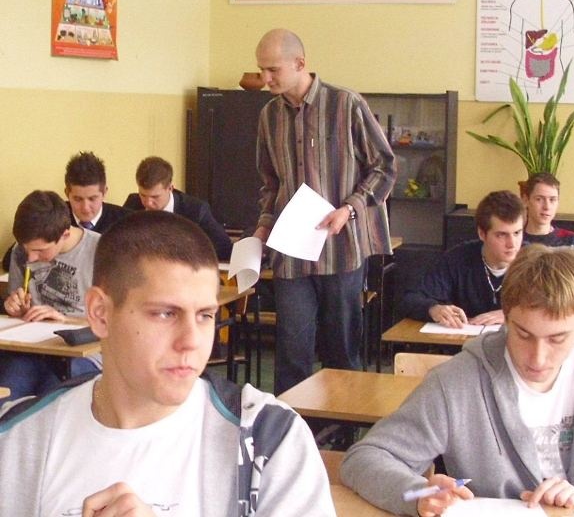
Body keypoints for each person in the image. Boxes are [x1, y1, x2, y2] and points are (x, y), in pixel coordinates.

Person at [0, 211, 335, 517]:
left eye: (205, 315)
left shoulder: (269, 439)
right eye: (165, 314)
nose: (191, 340)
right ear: (100, 313)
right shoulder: (19, 438)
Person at [341, 244, 574, 516]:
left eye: (557, 339)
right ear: (505, 317)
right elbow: (364, 459)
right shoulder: (457, 382)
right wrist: (418, 493)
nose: (538, 358)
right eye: (523, 334)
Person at [252, 28, 396, 395]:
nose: (265, 78)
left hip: (341, 249)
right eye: (261, 69)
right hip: (291, 253)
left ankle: (343, 424)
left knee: (342, 349)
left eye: (273, 70)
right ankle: (291, 423)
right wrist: (264, 226)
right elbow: (270, 182)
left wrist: (350, 207)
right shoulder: (269, 116)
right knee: (291, 350)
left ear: (300, 63)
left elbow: (385, 167)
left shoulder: (346, 104)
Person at [1, 190, 101, 403]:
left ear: (65, 234)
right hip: (33, 350)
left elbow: (117, 319)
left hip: (82, 354)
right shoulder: (21, 252)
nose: (31, 258)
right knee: (8, 395)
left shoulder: (102, 251)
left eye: (40, 251)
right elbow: (19, 303)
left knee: (52, 401)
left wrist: (65, 319)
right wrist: (16, 308)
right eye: (27, 249)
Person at [400, 190, 525, 327]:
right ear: (482, 234)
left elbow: (545, 305)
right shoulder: (458, 259)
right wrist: (433, 309)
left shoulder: (534, 261)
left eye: (517, 233)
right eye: (501, 235)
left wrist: (511, 314)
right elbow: (411, 299)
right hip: (463, 337)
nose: (512, 244)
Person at [124, 155, 233, 261]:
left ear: (170, 188)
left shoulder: (195, 210)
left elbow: (224, 248)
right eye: (143, 195)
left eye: (155, 197)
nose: (148, 203)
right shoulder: (132, 205)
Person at [522, 172, 574, 292]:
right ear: (526, 200)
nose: (547, 207)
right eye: (539, 199)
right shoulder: (514, 240)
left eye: (552, 200)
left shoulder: (572, 241)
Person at [64, 150, 129, 233]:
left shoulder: (126, 222)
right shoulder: (53, 220)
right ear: (67, 193)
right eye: (78, 199)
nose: (85, 208)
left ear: (104, 192)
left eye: (92, 199)